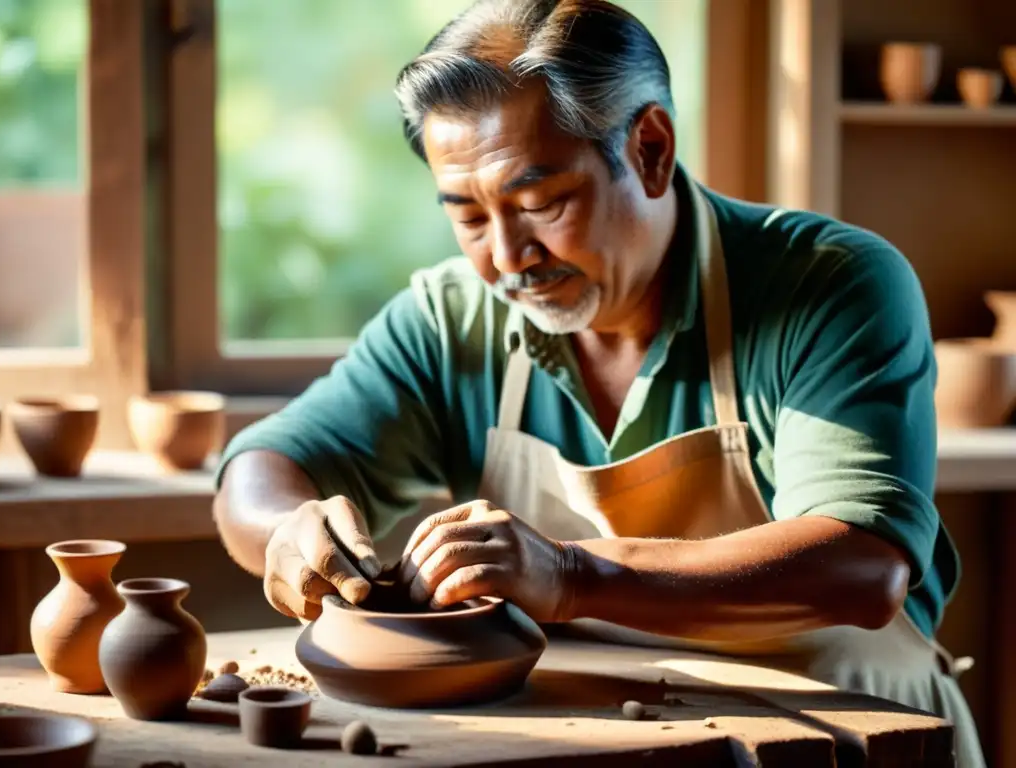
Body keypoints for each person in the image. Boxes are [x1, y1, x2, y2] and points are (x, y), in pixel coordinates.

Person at [212, 1, 982, 764]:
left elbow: (860, 566)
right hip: (614, 738)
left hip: (852, 736)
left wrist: (572, 573)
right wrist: (287, 530)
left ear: (649, 147)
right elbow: (263, 467)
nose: (509, 257)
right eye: (470, 218)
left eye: (541, 203)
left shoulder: (832, 284)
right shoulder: (451, 320)